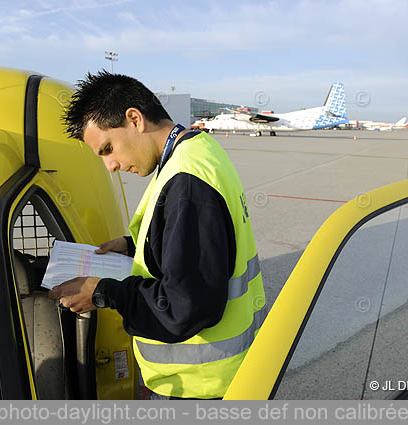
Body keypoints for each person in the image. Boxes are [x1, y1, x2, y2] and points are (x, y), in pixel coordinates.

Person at [48, 71, 266, 399]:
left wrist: (103, 292)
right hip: (224, 376)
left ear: (134, 119)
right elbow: (201, 241)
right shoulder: (196, 150)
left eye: (108, 148)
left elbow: (184, 308)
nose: (111, 166)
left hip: (201, 386)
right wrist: (135, 246)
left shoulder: (187, 183)